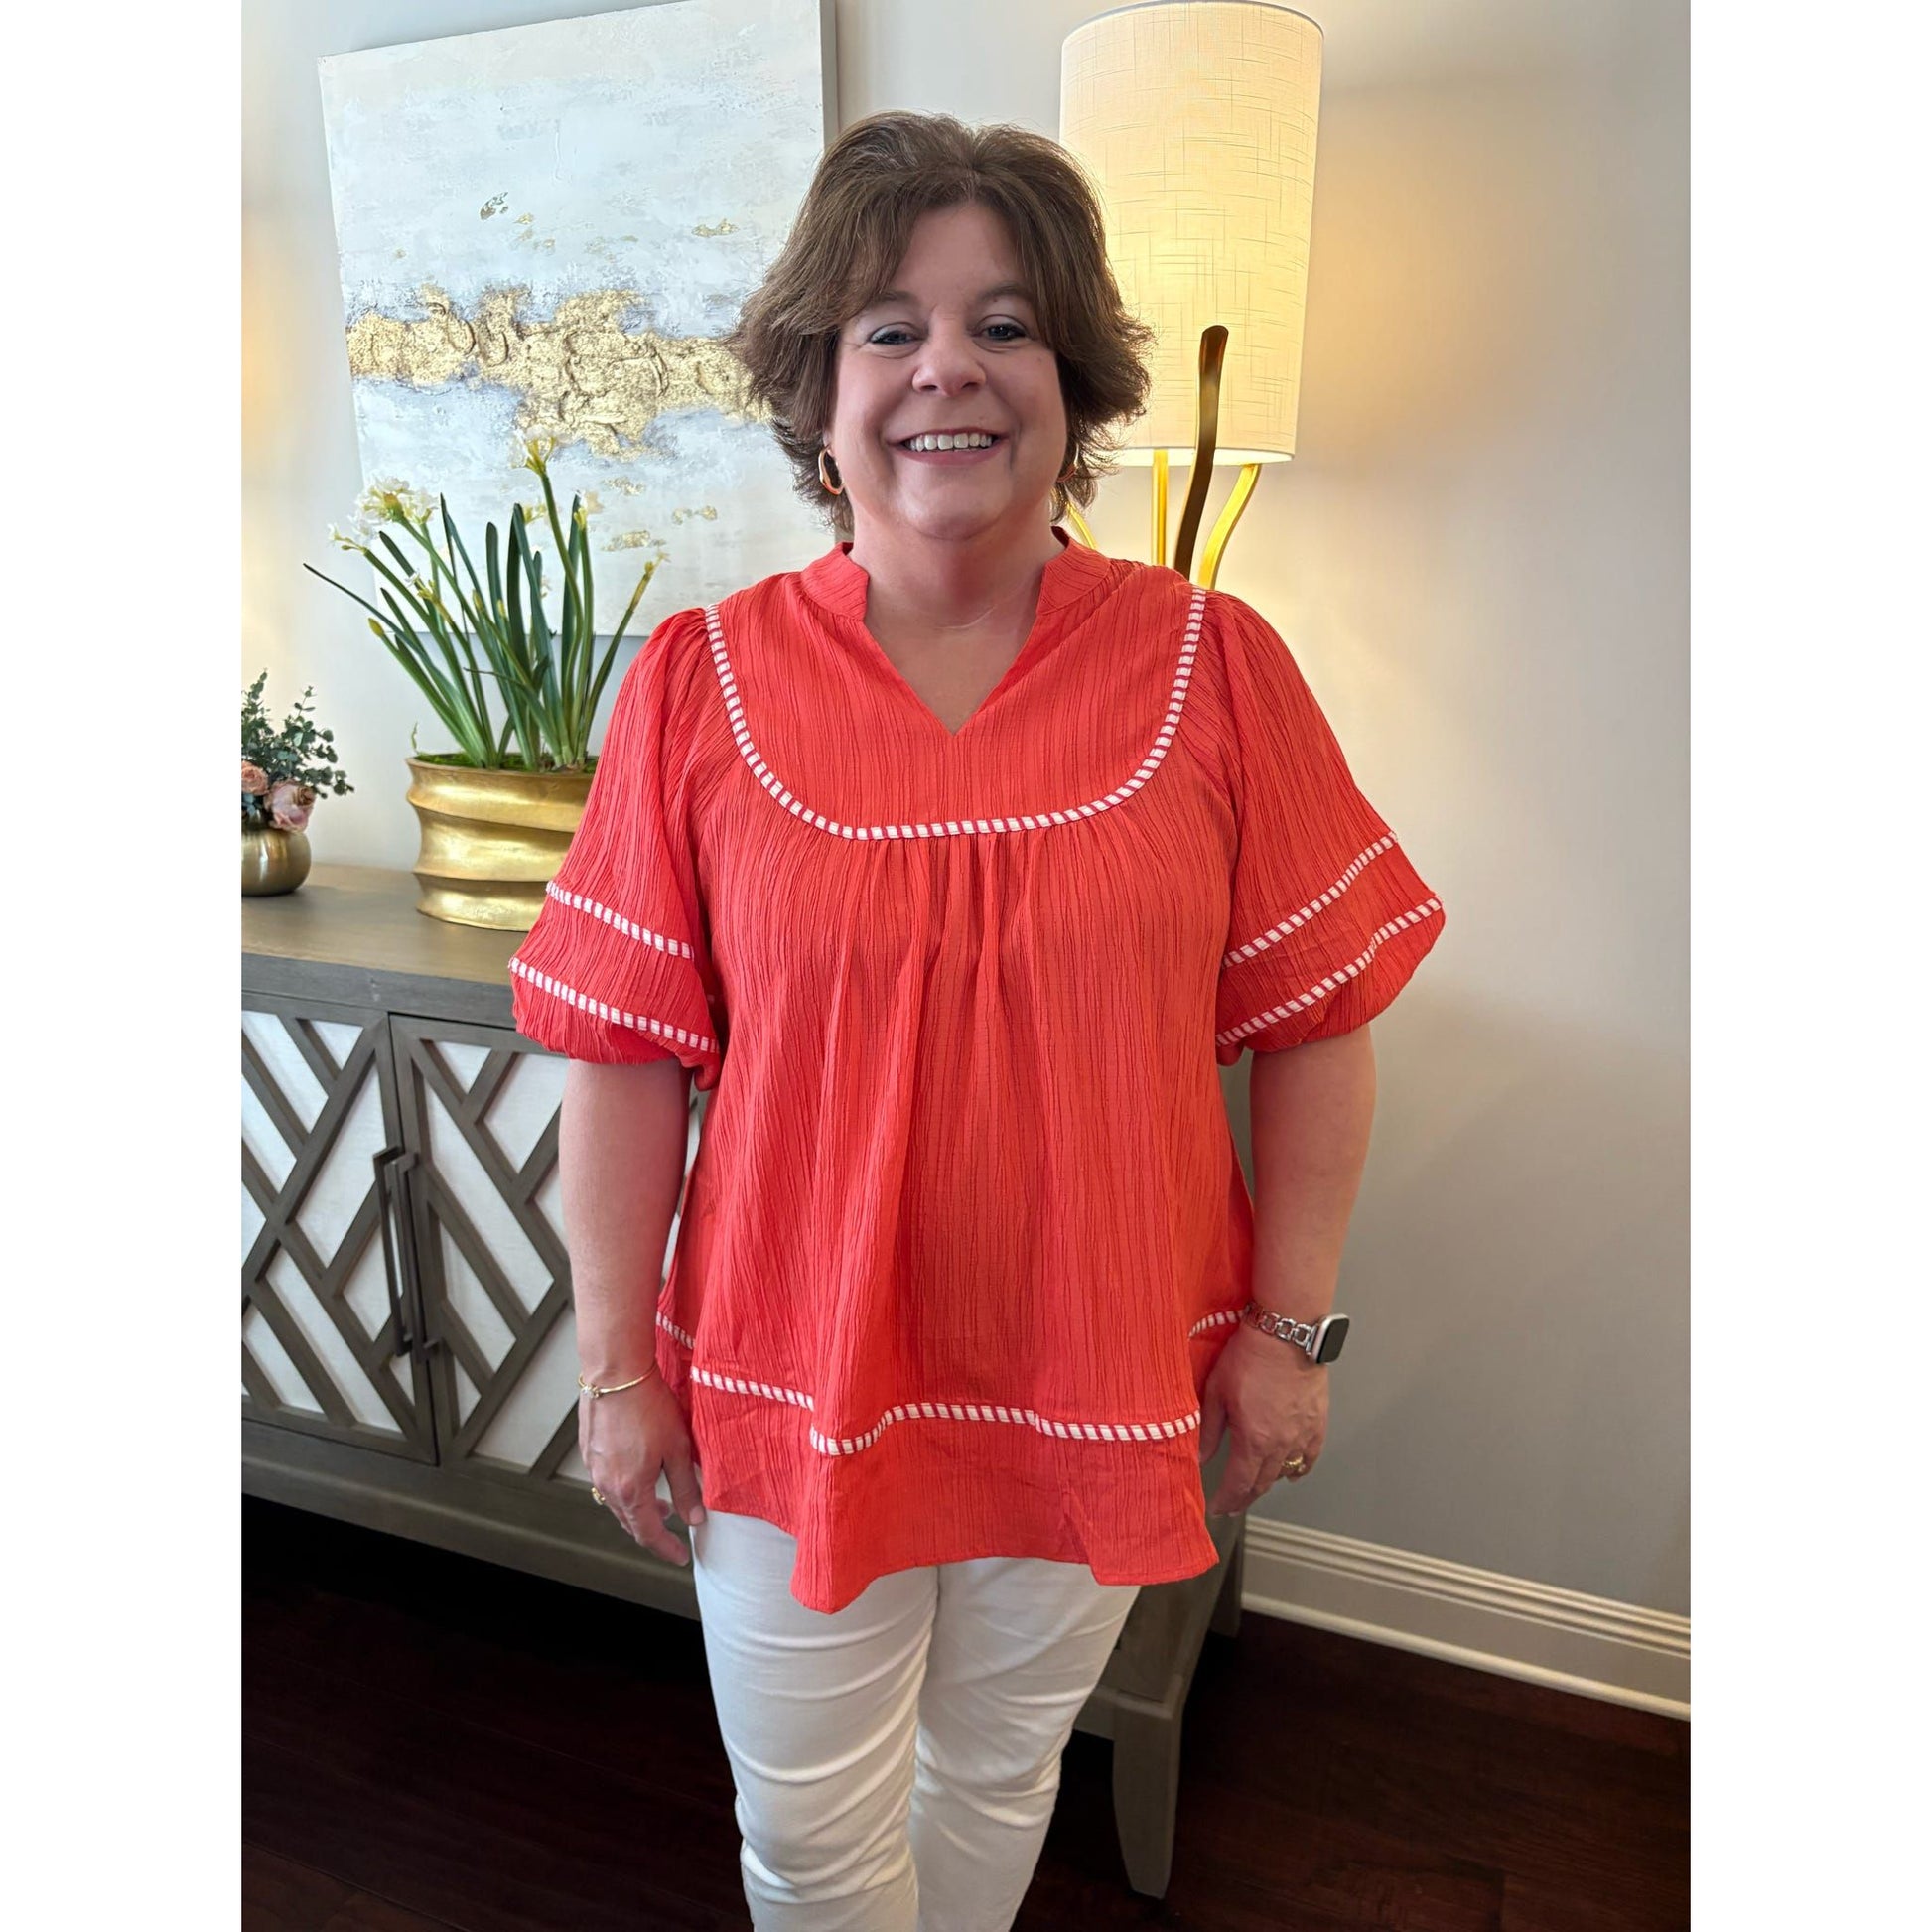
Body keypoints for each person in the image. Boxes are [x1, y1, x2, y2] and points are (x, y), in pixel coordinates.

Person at [508, 110, 1447, 1932]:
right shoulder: (698, 684)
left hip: (1098, 1375)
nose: (948, 364)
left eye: (1004, 323)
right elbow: (618, 1050)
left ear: (1070, 377)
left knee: (1004, 1774)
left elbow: (1318, 1016)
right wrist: (618, 1373)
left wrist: (1289, 1330)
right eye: (889, 324)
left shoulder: (1214, 665)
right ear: (817, 381)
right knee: (807, 1838)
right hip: (787, 1392)